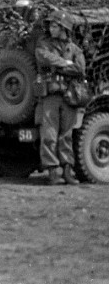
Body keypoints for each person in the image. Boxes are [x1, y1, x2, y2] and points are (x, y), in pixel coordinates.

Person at [35, 10, 86, 186]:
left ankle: (67, 170)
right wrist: (65, 63)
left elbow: (80, 69)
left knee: (67, 135)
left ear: (64, 28)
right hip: (50, 94)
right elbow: (44, 58)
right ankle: (52, 172)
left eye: (55, 26)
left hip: (69, 95)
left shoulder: (74, 49)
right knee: (49, 135)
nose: (51, 28)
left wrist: (61, 66)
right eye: (51, 25)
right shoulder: (44, 44)